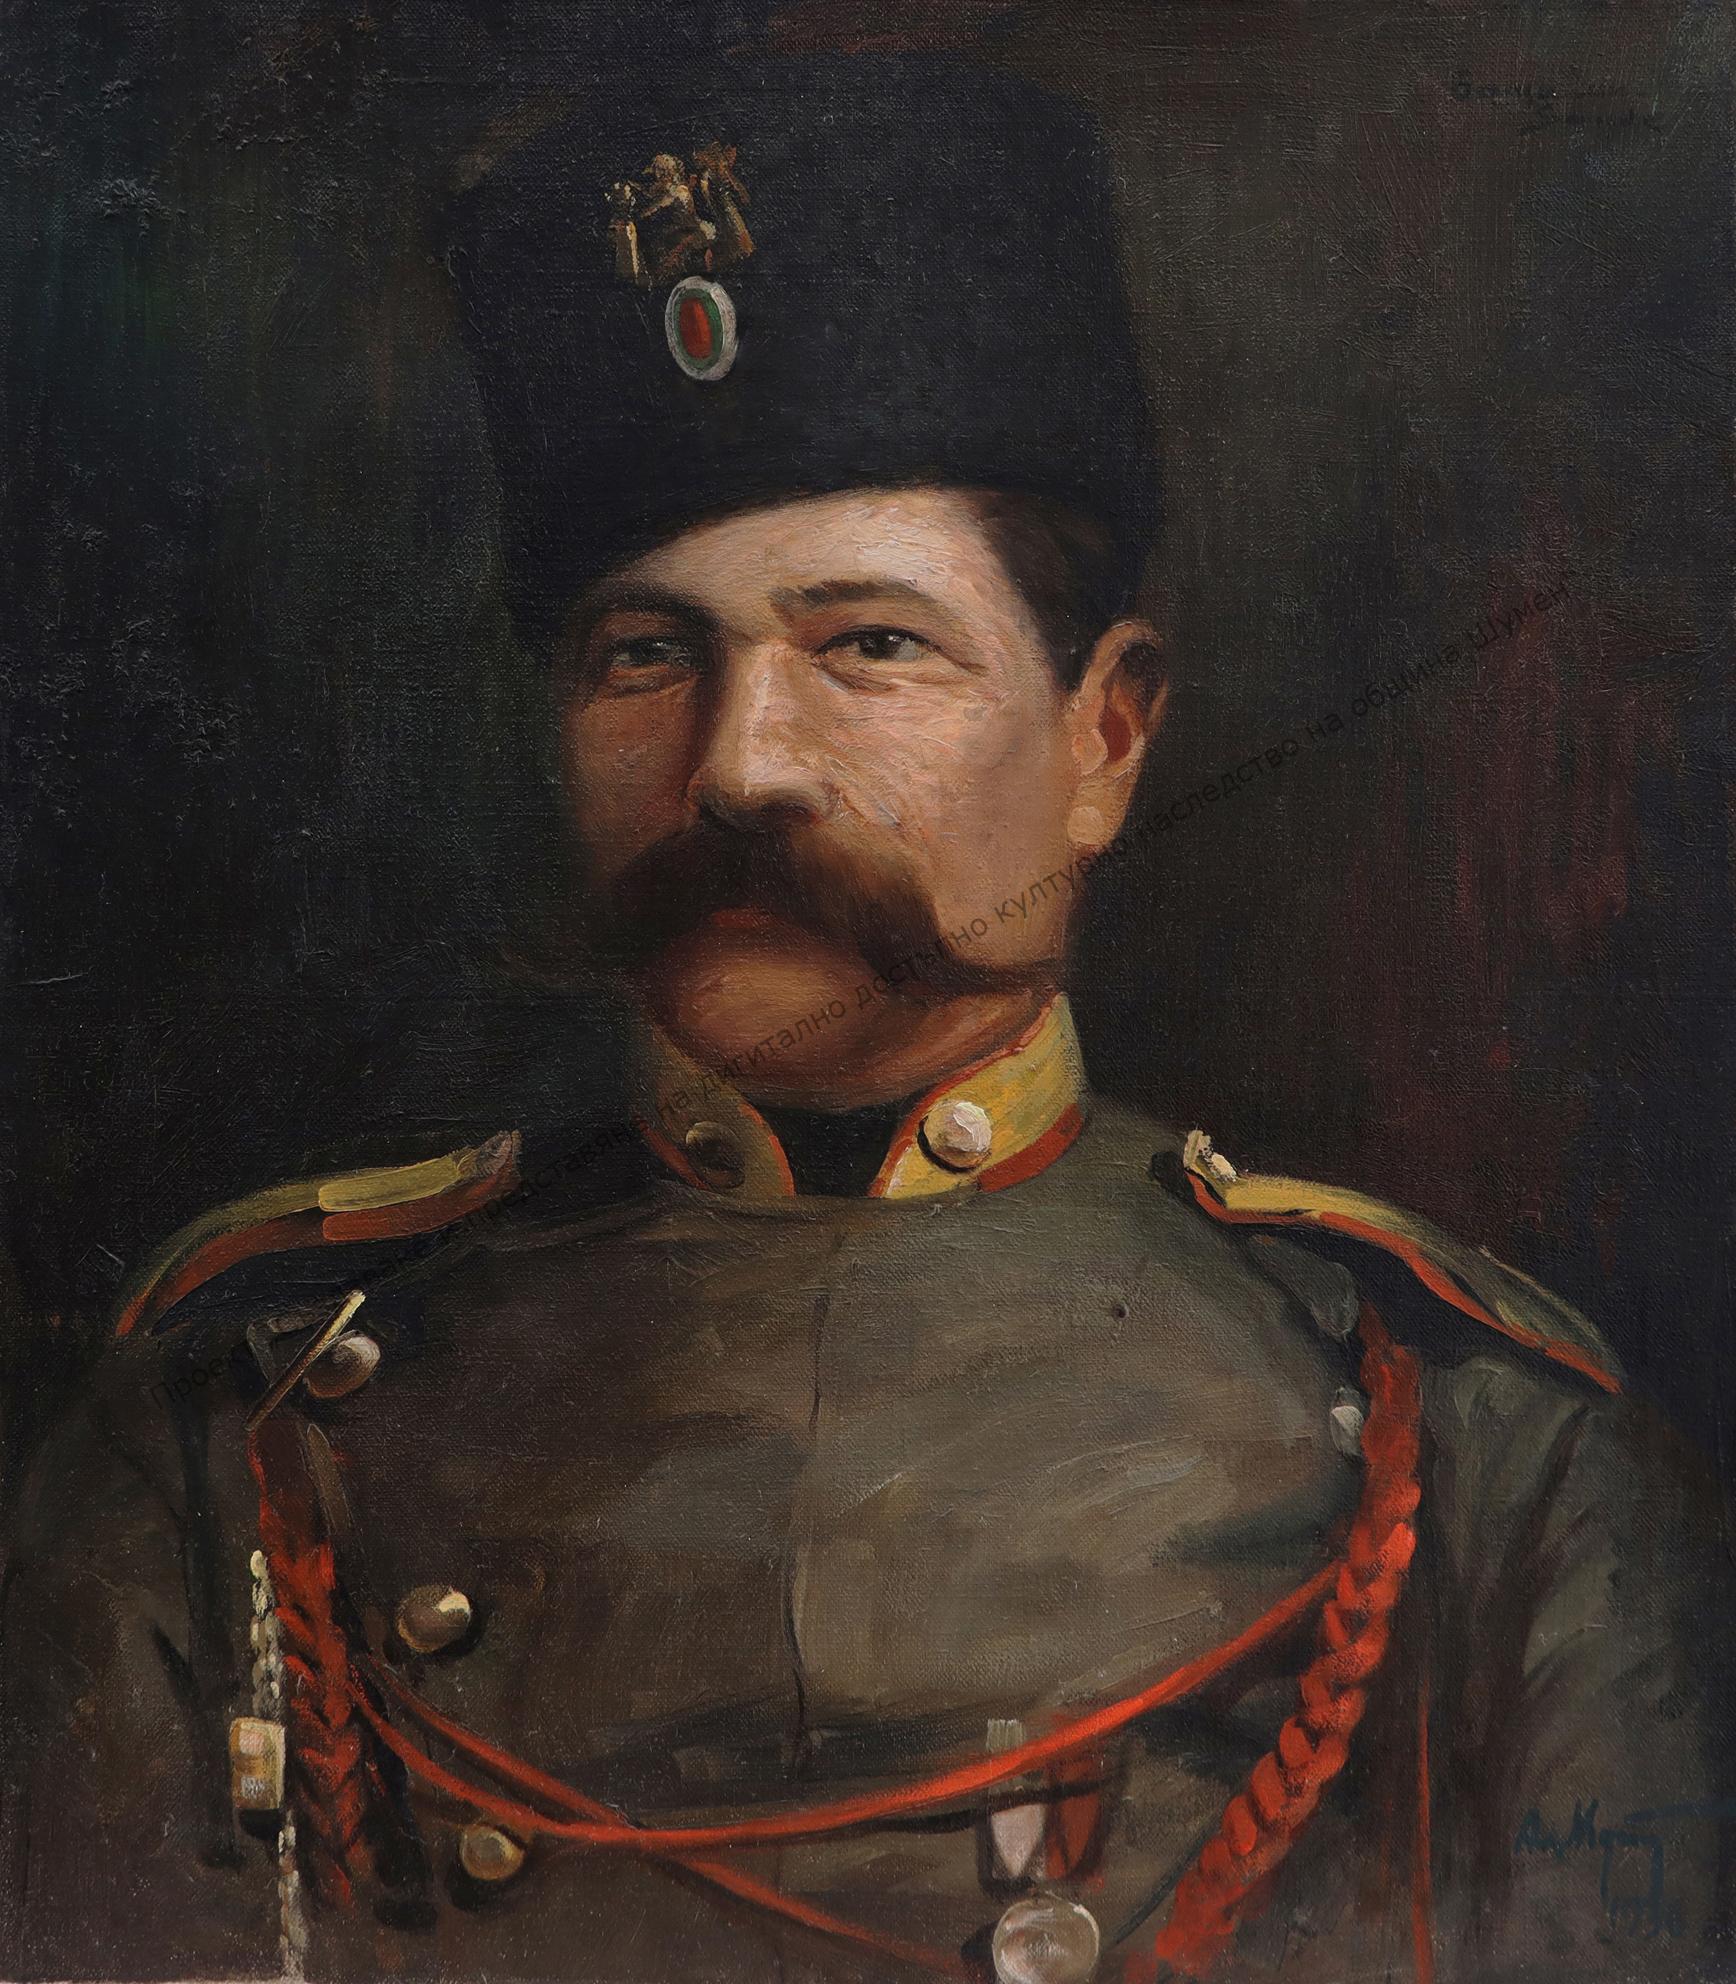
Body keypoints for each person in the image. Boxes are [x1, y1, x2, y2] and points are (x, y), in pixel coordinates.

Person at [1, 49, 1729, 1984]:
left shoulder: (1475, 1442)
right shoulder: (232, 1412)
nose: (741, 766)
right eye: (644, 652)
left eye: (871, 645)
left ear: (1105, 737)